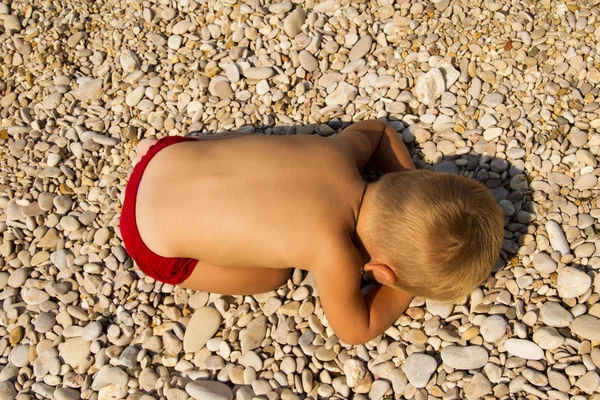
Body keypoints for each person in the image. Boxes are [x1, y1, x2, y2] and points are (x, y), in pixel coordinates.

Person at [120, 120, 504, 345]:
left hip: (167, 156)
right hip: (145, 238)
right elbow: (356, 330)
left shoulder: (339, 152)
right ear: (383, 271)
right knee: (273, 275)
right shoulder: (334, 255)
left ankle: (156, 153)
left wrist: (410, 180)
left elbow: (378, 130)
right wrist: (407, 286)